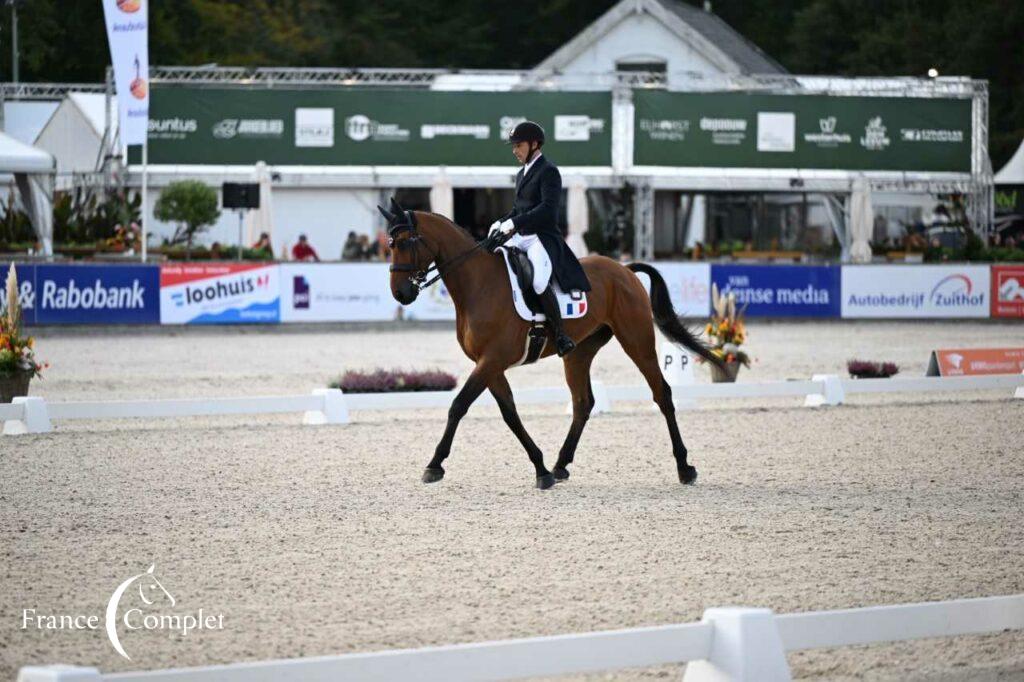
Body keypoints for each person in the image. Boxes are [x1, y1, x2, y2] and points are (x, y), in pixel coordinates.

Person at [489, 121, 590, 356]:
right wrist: (502, 221)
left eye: (519, 145)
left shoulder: (549, 171)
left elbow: (547, 210)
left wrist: (515, 223)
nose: (515, 150)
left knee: (538, 281)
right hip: (520, 235)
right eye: (513, 146)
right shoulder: (520, 173)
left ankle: (561, 335)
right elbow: (518, 209)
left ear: (534, 144)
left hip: (540, 238)